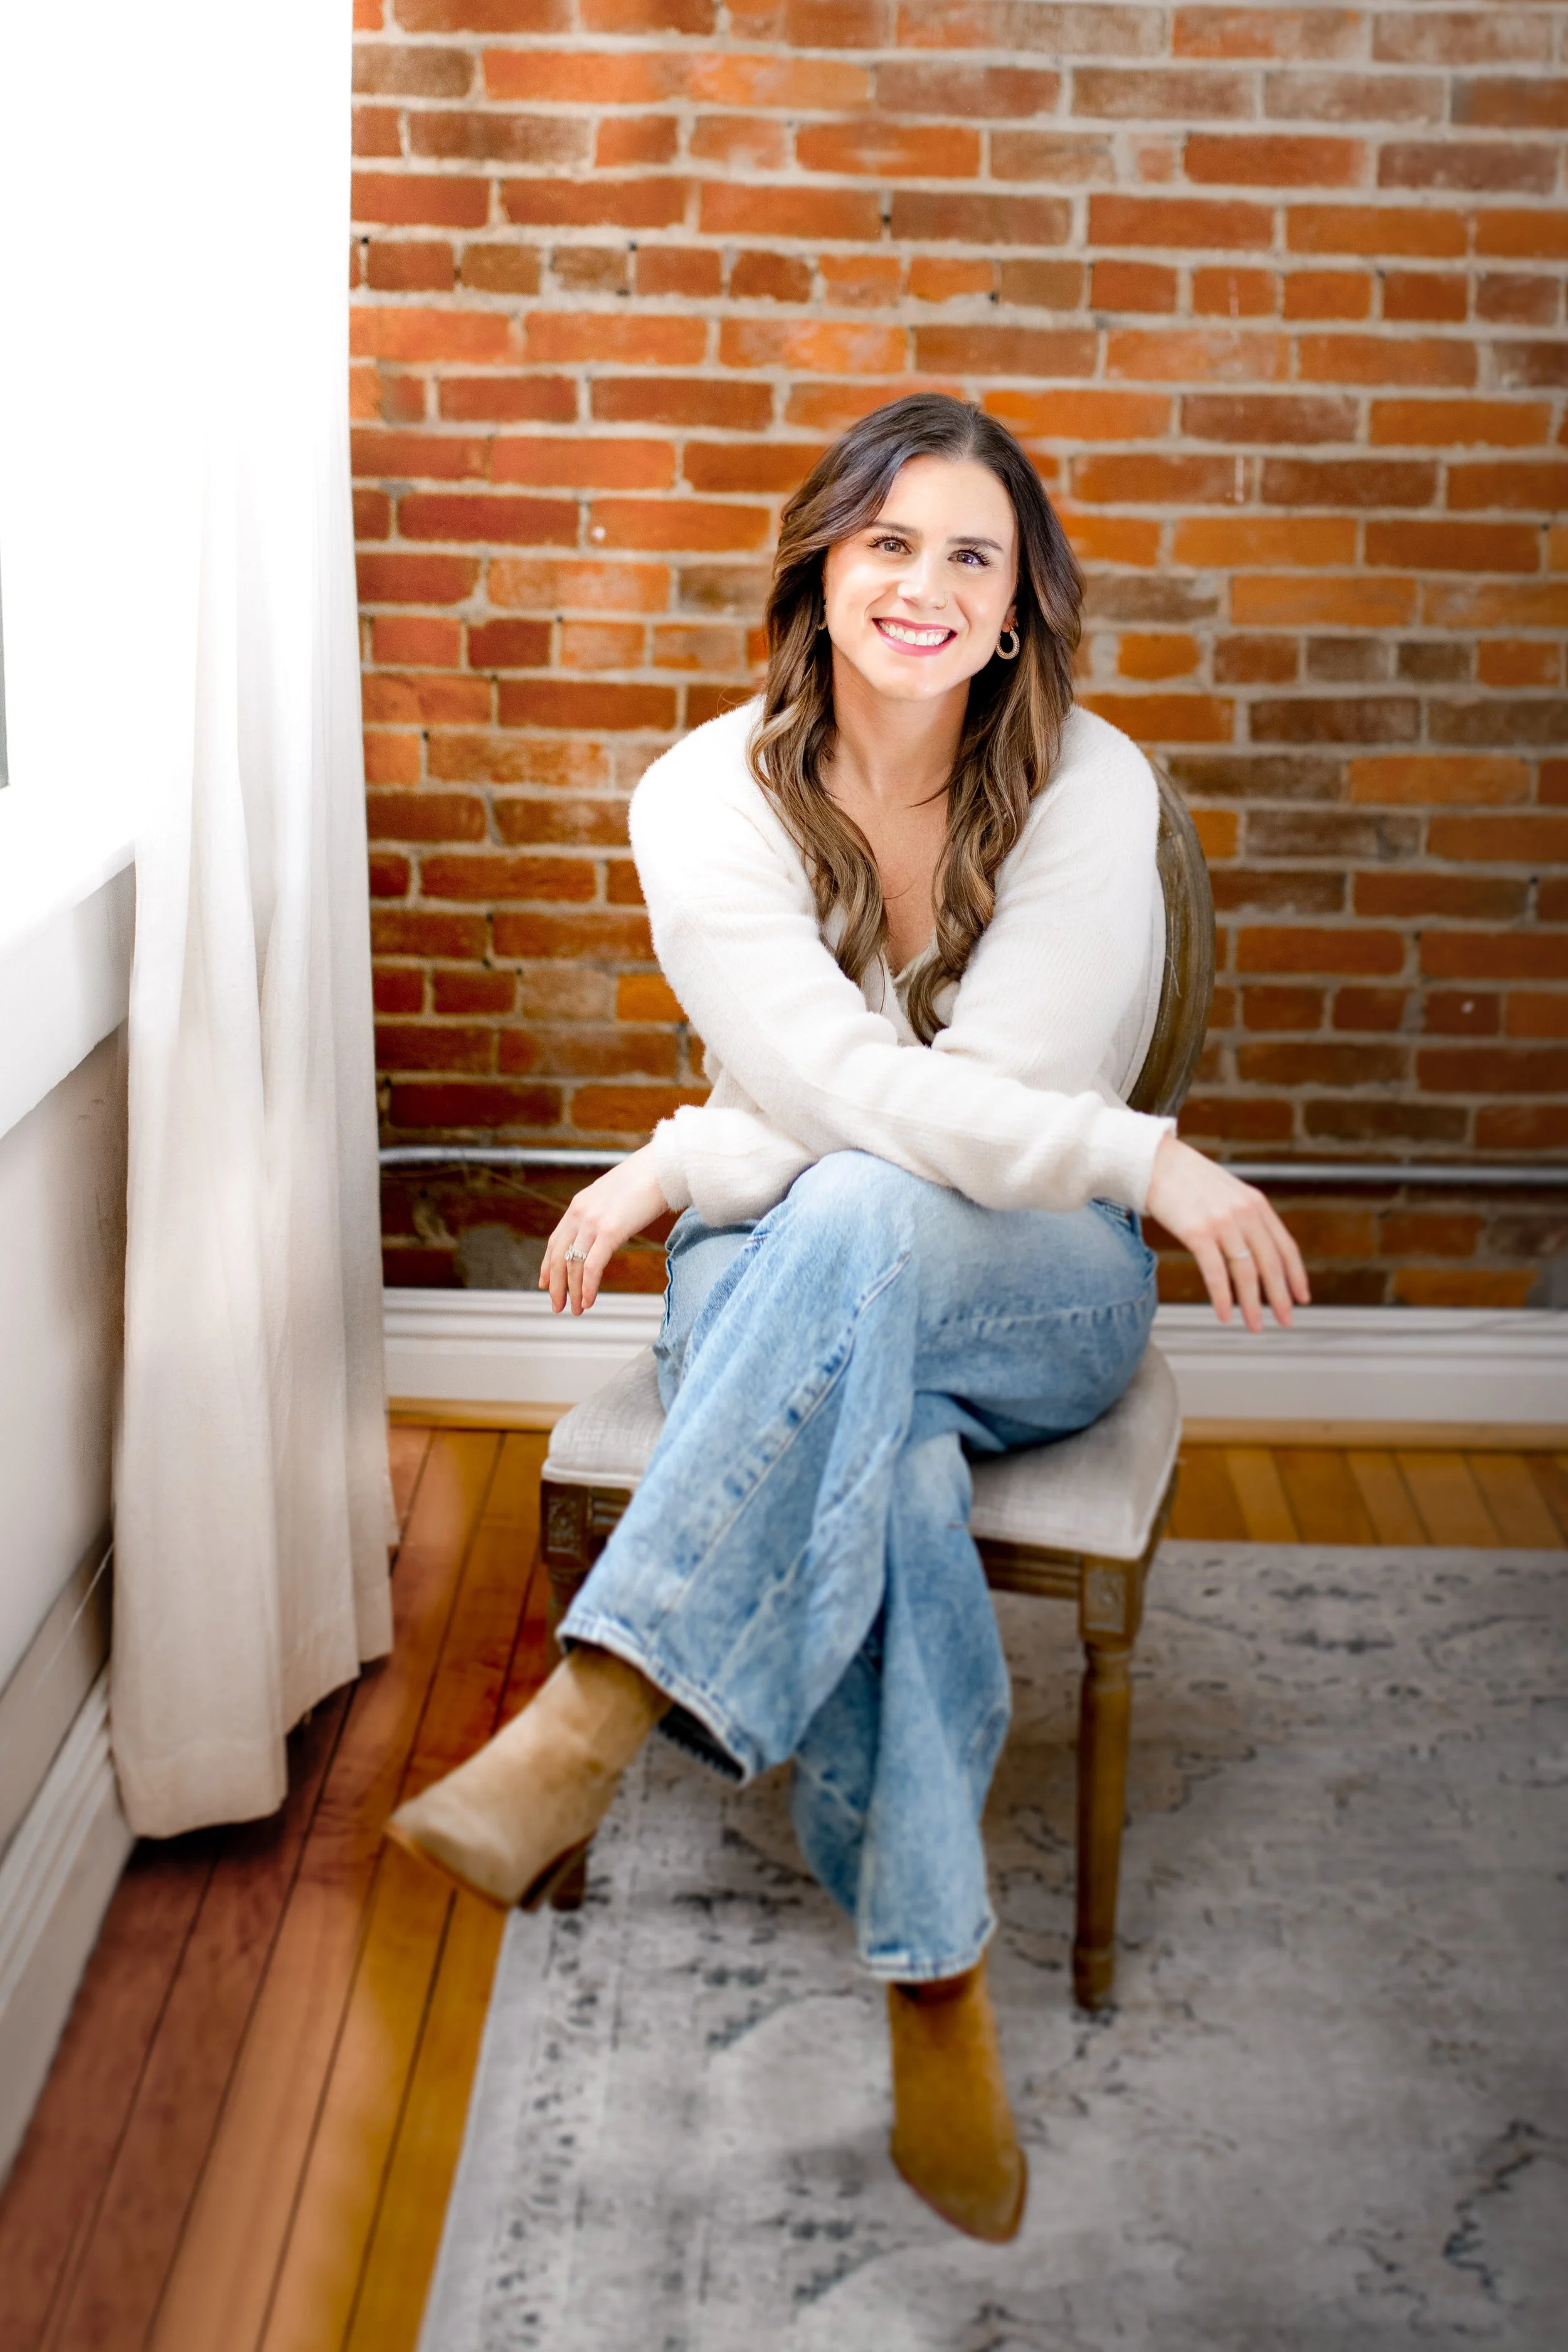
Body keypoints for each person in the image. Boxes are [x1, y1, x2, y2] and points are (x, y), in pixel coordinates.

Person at [387, 393, 1308, 2243]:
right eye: (889, 541)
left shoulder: (1086, 782)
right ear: (819, 561)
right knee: (878, 1458)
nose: (925, 585)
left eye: (973, 554)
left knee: (880, 1191)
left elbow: (976, 1124)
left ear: (1020, 603)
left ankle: (606, 1692)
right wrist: (1153, 1156)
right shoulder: (700, 791)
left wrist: (685, 1155)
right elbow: (833, 1081)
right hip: (807, 1268)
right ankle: (935, 1987)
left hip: (1028, 1275)